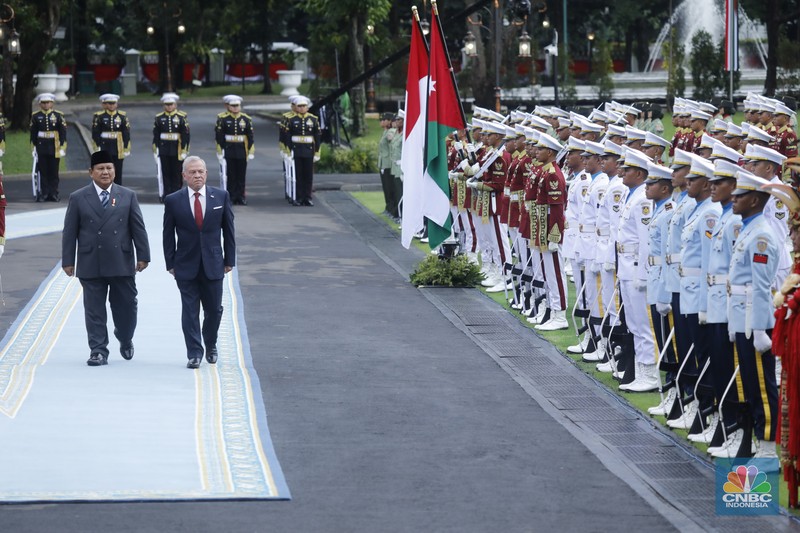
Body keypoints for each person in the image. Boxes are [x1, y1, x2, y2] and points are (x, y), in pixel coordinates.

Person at [61, 150, 150, 366]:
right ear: (91, 172)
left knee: (127, 307)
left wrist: (143, 255)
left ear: (114, 170)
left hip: (121, 261)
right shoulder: (78, 197)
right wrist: (68, 260)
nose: (105, 172)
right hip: (91, 260)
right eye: (100, 168)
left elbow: (138, 228)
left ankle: (125, 336)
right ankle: (98, 350)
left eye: (109, 168)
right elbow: (69, 231)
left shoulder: (127, 195)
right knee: (94, 310)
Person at [163, 156, 235, 369]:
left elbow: (229, 231)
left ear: (206, 173)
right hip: (185, 264)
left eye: (200, 172)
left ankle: (210, 343)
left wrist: (229, 259)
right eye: (192, 172)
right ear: (184, 175)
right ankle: (194, 352)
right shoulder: (173, 200)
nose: (197, 176)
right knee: (190, 310)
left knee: (214, 310)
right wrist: (170, 263)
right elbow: (168, 234)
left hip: (214, 263)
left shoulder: (220, 197)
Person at [215, 95, 254, 205]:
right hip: (229, 149)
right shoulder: (223, 119)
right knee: (231, 175)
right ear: (228, 107)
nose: (235, 108)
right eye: (233, 106)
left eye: (237, 106)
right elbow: (219, 136)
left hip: (242, 149)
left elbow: (250, 136)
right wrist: (220, 151)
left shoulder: (246, 119)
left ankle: (241, 196)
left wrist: (250, 151)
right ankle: (231, 196)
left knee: (241, 175)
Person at [30, 93, 67, 202]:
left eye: (48, 102)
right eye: (43, 103)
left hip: (54, 146)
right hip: (41, 146)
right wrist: (33, 148)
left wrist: (62, 147)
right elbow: (33, 134)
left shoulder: (58, 115)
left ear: (52, 103)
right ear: (40, 104)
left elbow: (63, 133)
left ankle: (54, 193)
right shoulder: (35, 116)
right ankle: (44, 193)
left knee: (54, 172)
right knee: (43, 171)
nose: (46, 105)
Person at [153, 92, 190, 200]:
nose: (169, 106)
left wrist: (184, 149)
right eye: (167, 104)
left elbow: (186, 135)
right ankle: (167, 194)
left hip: (176, 148)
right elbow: (156, 135)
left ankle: (177, 194)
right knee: (165, 172)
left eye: (171, 104)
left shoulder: (181, 117)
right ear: (164, 105)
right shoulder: (159, 118)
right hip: (164, 148)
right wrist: (155, 149)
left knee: (177, 173)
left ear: (175, 105)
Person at [284, 95, 321, 206]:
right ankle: (299, 197)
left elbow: (317, 137)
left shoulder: (313, 119)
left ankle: (308, 197)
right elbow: (288, 137)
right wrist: (288, 151)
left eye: (303, 106)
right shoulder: (291, 120)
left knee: (308, 175)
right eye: (299, 106)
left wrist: (317, 152)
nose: (301, 108)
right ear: (296, 107)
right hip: (297, 149)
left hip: (309, 150)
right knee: (298, 175)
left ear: (307, 107)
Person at [91, 93, 131, 184]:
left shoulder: (122, 116)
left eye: (113, 103)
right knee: (105, 171)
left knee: (117, 171)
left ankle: (117, 191)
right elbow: (96, 132)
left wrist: (126, 147)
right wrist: (97, 145)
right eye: (109, 103)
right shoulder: (99, 116)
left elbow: (126, 132)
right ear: (106, 104)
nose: (112, 105)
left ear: (116, 104)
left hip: (118, 146)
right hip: (105, 145)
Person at [378, 112, 398, 220]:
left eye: (384, 119)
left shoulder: (391, 131)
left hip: (389, 164)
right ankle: (389, 208)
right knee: (386, 188)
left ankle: (393, 210)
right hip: (383, 163)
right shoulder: (385, 131)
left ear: (389, 121)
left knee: (391, 188)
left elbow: (391, 140)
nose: (381, 122)